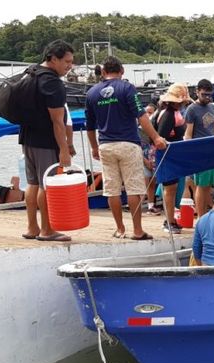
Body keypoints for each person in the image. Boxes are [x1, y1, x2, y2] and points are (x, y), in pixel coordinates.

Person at [86, 56, 167, 240]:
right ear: (121, 71)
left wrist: (93, 148)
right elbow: (141, 116)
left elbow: (90, 126)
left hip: (105, 145)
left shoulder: (92, 93)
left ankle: (120, 229)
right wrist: (155, 138)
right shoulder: (127, 88)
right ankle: (137, 230)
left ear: (103, 72)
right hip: (128, 144)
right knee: (133, 189)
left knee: (112, 190)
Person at [19, 39, 76, 242]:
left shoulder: (31, 73)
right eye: (67, 62)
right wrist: (64, 149)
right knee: (47, 185)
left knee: (32, 183)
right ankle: (47, 229)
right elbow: (58, 122)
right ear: (53, 59)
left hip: (27, 137)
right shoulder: (52, 82)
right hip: (45, 140)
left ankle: (32, 227)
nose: (70, 66)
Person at [154, 83, 191, 234]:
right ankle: (169, 221)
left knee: (172, 189)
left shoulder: (169, 112)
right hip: (168, 157)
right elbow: (161, 136)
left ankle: (171, 220)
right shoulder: (168, 114)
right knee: (169, 190)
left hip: (171, 156)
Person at [184, 79, 214, 219]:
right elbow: (188, 133)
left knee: (209, 185)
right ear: (197, 92)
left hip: (212, 151)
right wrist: (190, 152)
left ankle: (207, 213)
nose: (207, 98)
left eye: (210, 95)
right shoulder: (192, 109)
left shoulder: (212, 107)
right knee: (200, 184)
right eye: (204, 94)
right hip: (200, 151)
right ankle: (201, 216)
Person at [140, 103, 160, 215]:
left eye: (150, 112)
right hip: (144, 157)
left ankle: (151, 205)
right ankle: (143, 205)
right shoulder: (139, 129)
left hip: (155, 157)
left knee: (153, 182)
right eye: (146, 112)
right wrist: (144, 160)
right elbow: (137, 147)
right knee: (145, 181)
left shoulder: (156, 126)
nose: (147, 115)